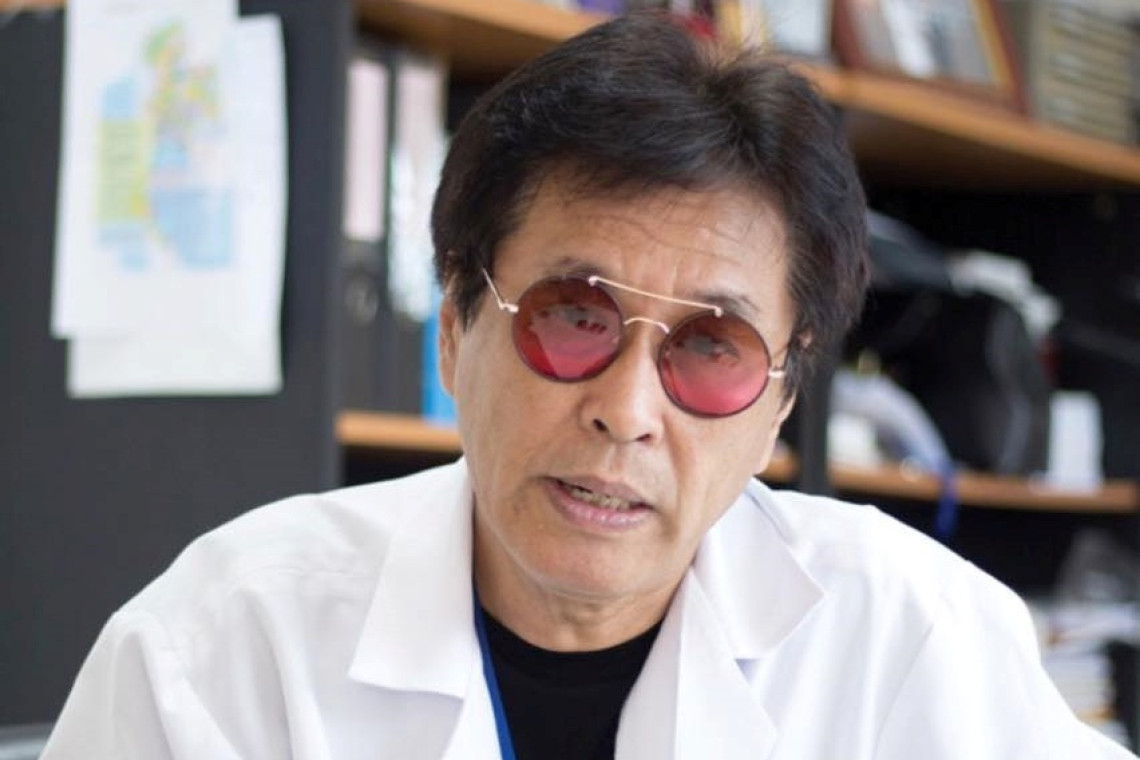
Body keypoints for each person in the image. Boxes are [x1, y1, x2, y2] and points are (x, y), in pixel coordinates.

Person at [41, 12, 1135, 760]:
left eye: (711, 347)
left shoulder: (913, 639)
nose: (627, 410)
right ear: (457, 327)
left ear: (781, 402)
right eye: (573, 318)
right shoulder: (223, 648)